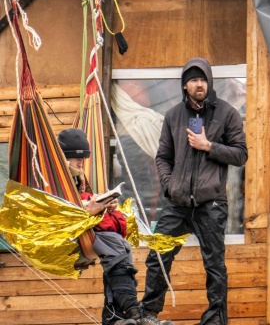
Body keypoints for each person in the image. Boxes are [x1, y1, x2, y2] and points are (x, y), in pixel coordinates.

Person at [141, 58, 248, 325]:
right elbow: (163, 157)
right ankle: (149, 313)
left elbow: (240, 154)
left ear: (209, 82)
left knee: (214, 265)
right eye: (193, 80)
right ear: (185, 85)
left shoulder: (227, 113)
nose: (198, 84)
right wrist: (169, 184)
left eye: (202, 79)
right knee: (157, 256)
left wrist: (208, 145)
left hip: (210, 203)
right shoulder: (173, 116)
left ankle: (214, 320)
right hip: (177, 203)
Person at [57, 128, 154, 325]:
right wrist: (88, 208)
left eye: (84, 158)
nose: (81, 162)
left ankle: (115, 315)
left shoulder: (77, 178)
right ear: (64, 158)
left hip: (86, 231)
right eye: (77, 159)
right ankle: (132, 311)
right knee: (115, 245)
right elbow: (59, 206)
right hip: (64, 236)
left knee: (123, 248)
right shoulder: (55, 177)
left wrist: (105, 204)